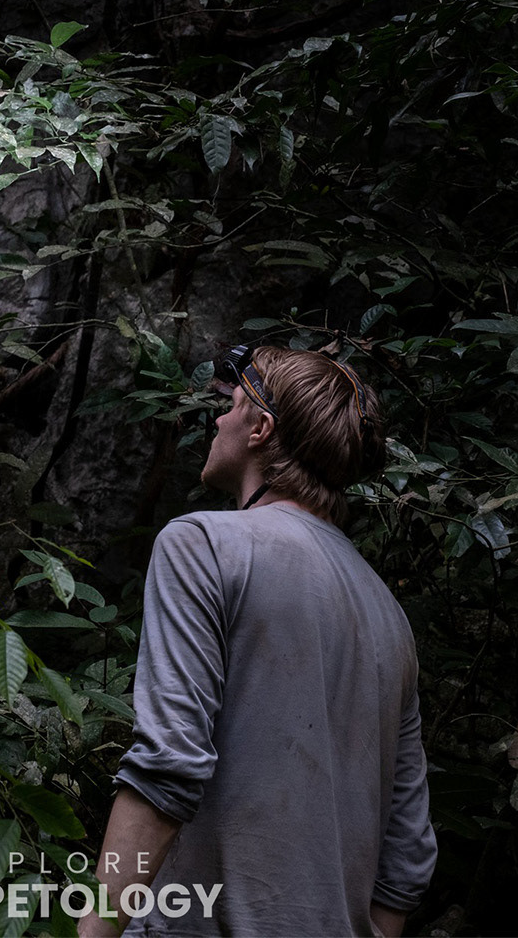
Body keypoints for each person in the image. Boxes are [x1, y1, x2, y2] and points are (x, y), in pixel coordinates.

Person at [79, 344, 437, 938]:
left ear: (261, 429)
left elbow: (167, 769)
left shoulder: (204, 545)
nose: (217, 418)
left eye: (234, 405)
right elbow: (406, 854)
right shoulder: (389, 613)